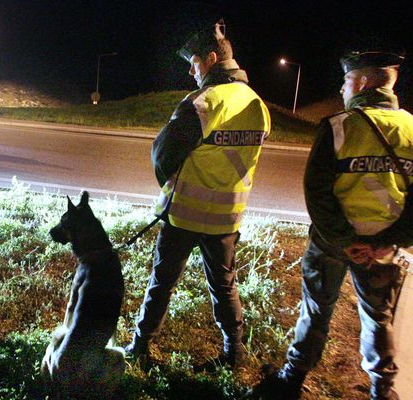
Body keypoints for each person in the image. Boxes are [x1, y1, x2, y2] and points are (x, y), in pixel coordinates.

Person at [252, 49, 413, 400]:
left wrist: (343, 239)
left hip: (331, 245)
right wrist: (390, 241)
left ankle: (292, 380)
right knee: (378, 318)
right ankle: (382, 391)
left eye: (346, 81)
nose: (343, 89)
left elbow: (318, 193)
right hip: (382, 248)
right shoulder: (412, 130)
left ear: (364, 81)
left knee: (316, 310)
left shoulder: (339, 127)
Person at [124, 19, 271, 369]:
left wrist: (173, 184)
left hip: (185, 215)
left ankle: (140, 347)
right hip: (226, 220)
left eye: (192, 62)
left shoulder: (203, 102)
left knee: (162, 283)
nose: (191, 71)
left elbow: (162, 154)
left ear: (209, 58)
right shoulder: (257, 105)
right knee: (224, 285)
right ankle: (234, 353)